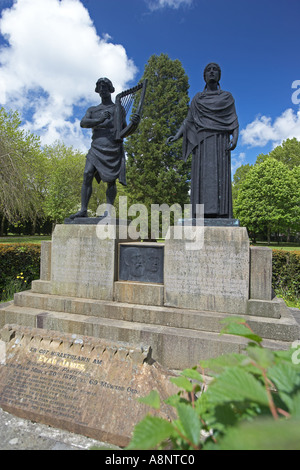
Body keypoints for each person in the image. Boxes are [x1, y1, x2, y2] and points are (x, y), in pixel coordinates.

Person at [167, 63, 239, 219]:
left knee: (219, 176)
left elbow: (233, 118)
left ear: (219, 75)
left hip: (220, 141)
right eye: (208, 70)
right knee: (202, 178)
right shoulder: (197, 99)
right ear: (204, 76)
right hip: (202, 143)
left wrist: (235, 136)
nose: (211, 72)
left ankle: (222, 215)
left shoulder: (227, 97)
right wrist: (177, 135)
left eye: (215, 70)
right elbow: (188, 120)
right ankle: (199, 215)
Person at [70, 77, 140, 219]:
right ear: (97, 91)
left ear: (110, 89)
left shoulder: (118, 109)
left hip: (112, 147)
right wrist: (99, 120)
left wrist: (134, 125)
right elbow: (83, 123)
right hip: (96, 146)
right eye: (100, 87)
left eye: (105, 87)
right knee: (87, 173)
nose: (102, 90)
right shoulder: (93, 110)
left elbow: (123, 131)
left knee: (111, 180)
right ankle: (83, 209)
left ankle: (109, 210)